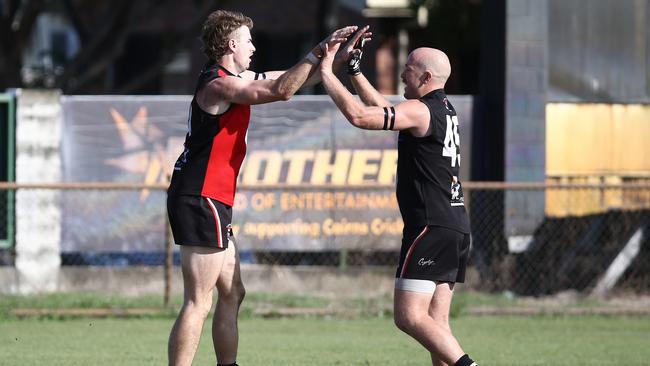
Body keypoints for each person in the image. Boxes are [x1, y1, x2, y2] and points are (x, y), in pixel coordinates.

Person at [166, 9, 366, 366]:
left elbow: (292, 79)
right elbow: (281, 90)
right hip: (200, 196)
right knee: (199, 301)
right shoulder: (220, 83)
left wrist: (333, 58)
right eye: (247, 40)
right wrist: (315, 52)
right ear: (231, 44)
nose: (253, 47)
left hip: (213, 197)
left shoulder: (238, 76)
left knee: (233, 292)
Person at [319, 40, 478, 366]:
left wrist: (326, 72)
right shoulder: (441, 109)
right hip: (455, 226)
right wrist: (353, 72)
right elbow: (380, 107)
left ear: (426, 77)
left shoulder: (421, 111)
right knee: (437, 325)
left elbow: (362, 116)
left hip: (430, 226)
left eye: (408, 71)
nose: (403, 76)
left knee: (408, 316)